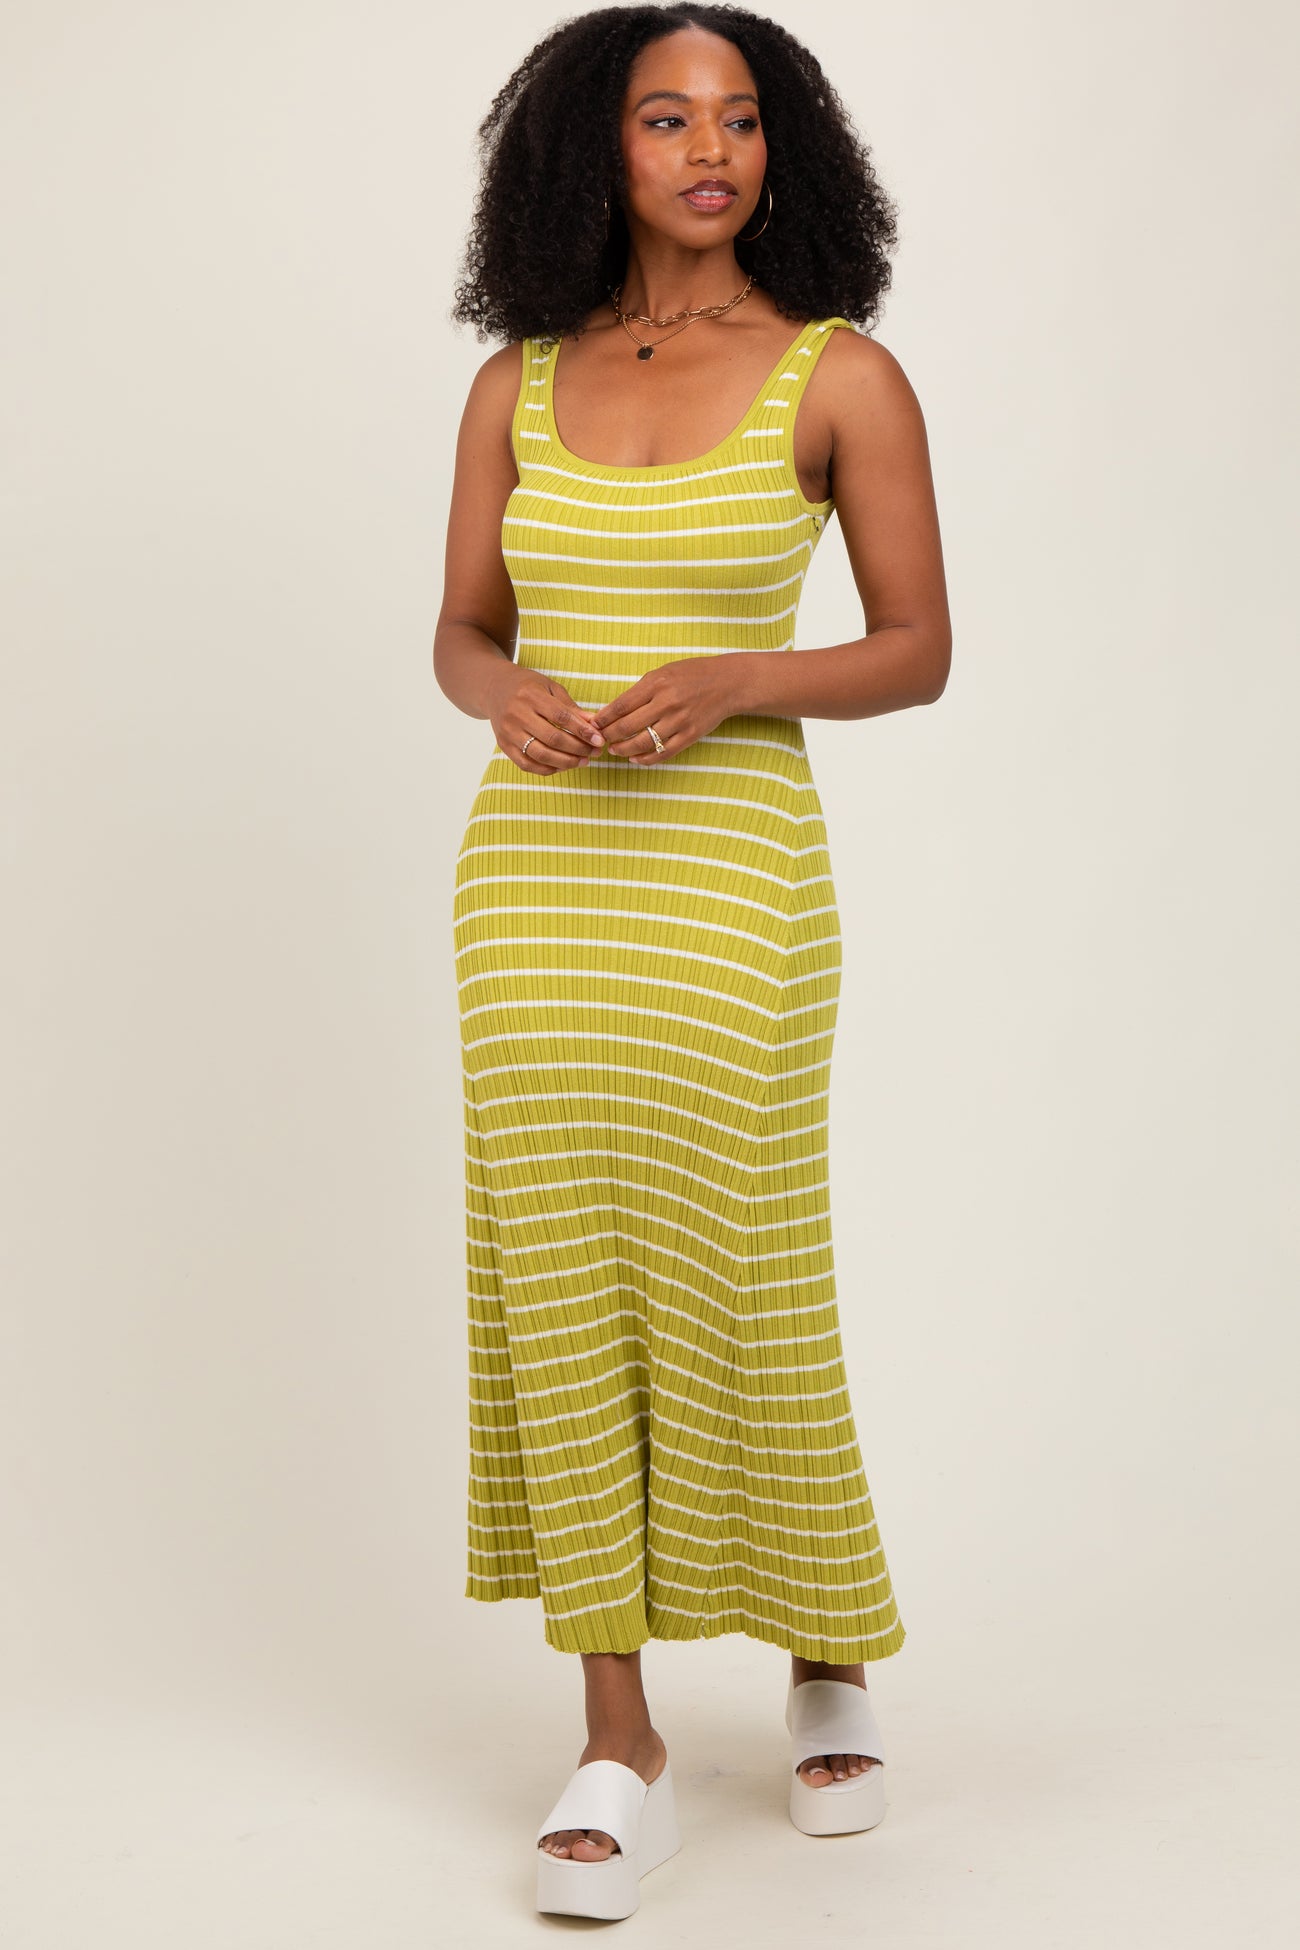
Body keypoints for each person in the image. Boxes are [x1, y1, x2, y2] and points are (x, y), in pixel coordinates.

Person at [433, 3, 950, 1919]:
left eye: (739, 117)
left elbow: (917, 645)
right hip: (534, 887)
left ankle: (827, 1646)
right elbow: (461, 630)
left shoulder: (840, 375)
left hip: (733, 883)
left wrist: (740, 678)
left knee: (746, 1256)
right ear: (599, 148)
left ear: (781, 146)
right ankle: (618, 1733)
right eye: (667, 118)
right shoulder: (515, 383)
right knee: (558, 1274)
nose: (709, 149)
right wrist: (500, 697)